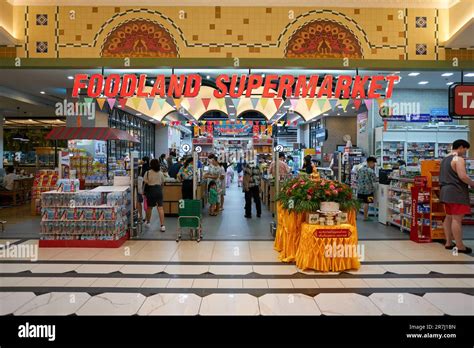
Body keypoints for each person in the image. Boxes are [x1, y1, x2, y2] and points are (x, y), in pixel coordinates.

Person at [440, 140, 473, 254]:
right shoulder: (458, 159)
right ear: (460, 147)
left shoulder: (444, 159)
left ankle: (449, 242)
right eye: (465, 149)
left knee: (448, 217)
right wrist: (472, 183)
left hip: (445, 191)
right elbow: (463, 176)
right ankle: (460, 246)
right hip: (456, 192)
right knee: (457, 219)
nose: (465, 152)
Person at [143, 158, 166, 232]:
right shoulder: (160, 173)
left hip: (150, 190)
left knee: (149, 208)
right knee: (160, 208)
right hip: (159, 190)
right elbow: (163, 183)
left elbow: (145, 183)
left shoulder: (147, 173)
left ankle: (148, 222)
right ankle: (162, 225)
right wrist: (160, 189)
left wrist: (143, 192)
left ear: (151, 165)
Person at [357, 156, 377, 221]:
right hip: (368, 190)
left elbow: (357, 177)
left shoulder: (360, 169)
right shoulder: (371, 171)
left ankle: (355, 216)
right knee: (367, 203)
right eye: (373, 163)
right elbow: (374, 180)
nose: (374, 165)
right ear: (370, 162)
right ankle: (365, 217)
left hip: (360, 189)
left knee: (358, 203)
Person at [137, 156, 150, 222]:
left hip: (140, 187)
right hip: (148, 188)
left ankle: (141, 216)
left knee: (139, 202)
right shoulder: (150, 169)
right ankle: (147, 218)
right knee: (147, 203)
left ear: (143, 161)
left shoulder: (140, 168)